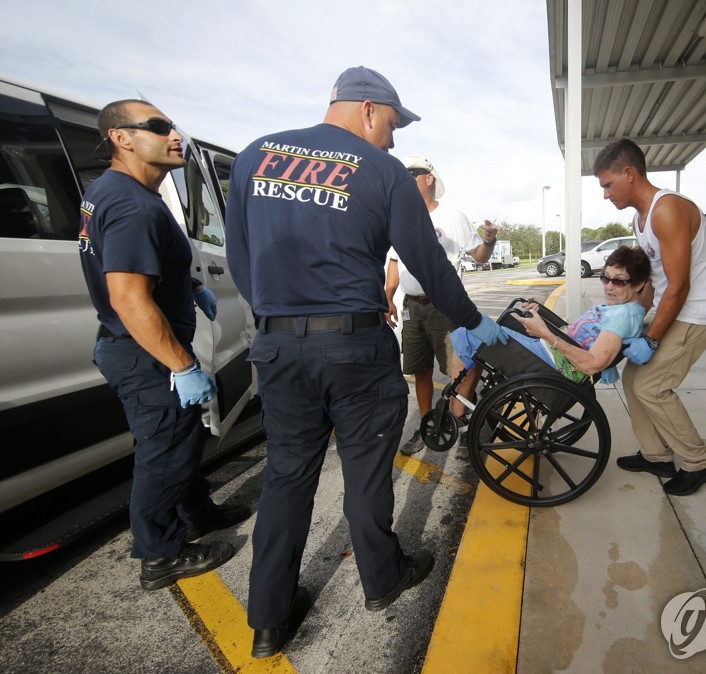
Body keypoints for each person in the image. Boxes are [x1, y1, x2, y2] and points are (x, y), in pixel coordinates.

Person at [225, 66, 506, 659]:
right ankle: (381, 580)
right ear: (369, 110)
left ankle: (268, 619)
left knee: (286, 476)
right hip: (353, 345)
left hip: (279, 345)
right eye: (394, 124)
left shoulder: (254, 156)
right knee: (365, 470)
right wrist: (473, 322)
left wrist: (279, 318)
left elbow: (240, 257)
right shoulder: (382, 172)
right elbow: (428, 264)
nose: (394, 140)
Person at [78, 100, 249, 592]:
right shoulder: (132, 204)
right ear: (121, 137)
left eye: (172, 126)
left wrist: (191, 288)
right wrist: (181, 364)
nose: (175, 135)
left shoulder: (115, 191)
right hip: (144, 350)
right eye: (157, 127)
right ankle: (160, 554)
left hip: (140, 346)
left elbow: (143, 263)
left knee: (182, 438)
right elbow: (129, 298)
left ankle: (196, 512)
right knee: (164, 448)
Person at [593, 139, 706, 497]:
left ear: (629, 174)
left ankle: (701, 461)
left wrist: (651, 339)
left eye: (607, 184)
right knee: (633, 376)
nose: (605, 194)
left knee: (652, 385)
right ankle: (657, 456)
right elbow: (656, 281)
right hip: (676, 308)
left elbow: (680, 286)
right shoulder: (642, 218)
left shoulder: (667, 209)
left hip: (695, 314)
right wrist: (632, 318)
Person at [384, 154, 499, 455]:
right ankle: (429, 427)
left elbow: (480, 256)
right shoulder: (401, 216)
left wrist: (488, 241)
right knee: (420, 371)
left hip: (445, 306)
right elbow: (394, 261)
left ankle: (461, 425)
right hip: (412, 306)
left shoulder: (451, 216)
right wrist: (388, 295)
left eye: (412, 174)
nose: (406, 179)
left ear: (429, 178)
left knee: (460, 368)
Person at [449, 245, 651, 382]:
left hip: (554, 362)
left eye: (618, 281)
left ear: (638, 284)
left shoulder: (623, 317)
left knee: (468, 333)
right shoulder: (622, 309)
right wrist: (543, 317)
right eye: (605, 278)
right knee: (491, 330)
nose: (608, 286)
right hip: (551, 353)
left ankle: (457, 409)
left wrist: (545, 333)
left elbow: (593, 364)